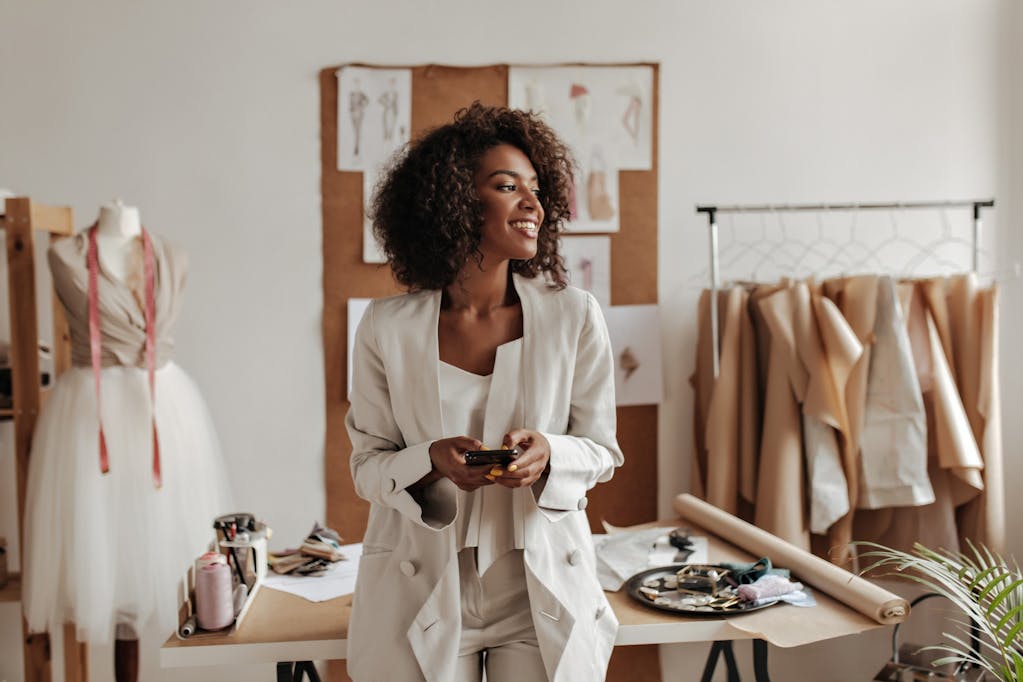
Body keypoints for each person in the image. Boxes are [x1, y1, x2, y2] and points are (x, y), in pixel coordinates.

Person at [345, 103, 624, 682]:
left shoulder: (575, 317)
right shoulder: (385, 327)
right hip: (420, 588)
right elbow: (367, 467)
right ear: (453, 202)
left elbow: (601, 450)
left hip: (538, 588)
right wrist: (429, 461)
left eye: (537, 188)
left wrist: (550, 451)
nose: (534, 204)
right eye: (506, 186)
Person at [22, 200, 232, 682]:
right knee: (102, 539)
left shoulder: (172, 255)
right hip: (92, 412)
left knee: (157, 542)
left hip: (164, 410)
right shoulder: (66, 256)